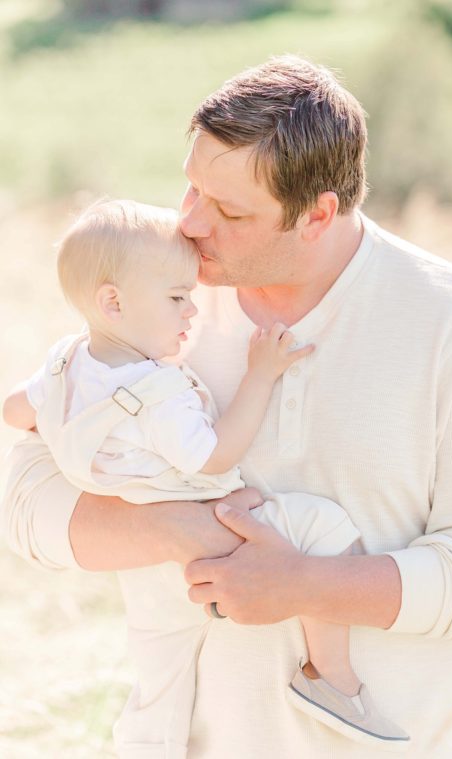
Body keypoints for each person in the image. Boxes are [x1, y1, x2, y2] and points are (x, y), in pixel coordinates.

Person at [1, 56, 452, 758]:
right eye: (191, 187)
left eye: (230, 211)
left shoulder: (451, 322)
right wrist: (177, 530)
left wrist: (306, 584)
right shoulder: (157, 290)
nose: (189, 222)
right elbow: (24, 500)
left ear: (318, 214)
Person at [2, 199, 409, 752]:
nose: (191, 312)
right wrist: (261, 375)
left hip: (143, 557)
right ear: (114, 302)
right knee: (324, 527)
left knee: (160, 665)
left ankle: (148, 744)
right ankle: (331, 675)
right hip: (208, 531)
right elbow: (214, 455)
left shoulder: (65, 361)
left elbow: (16, 411)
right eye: (176, 298)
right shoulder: (158, 391)